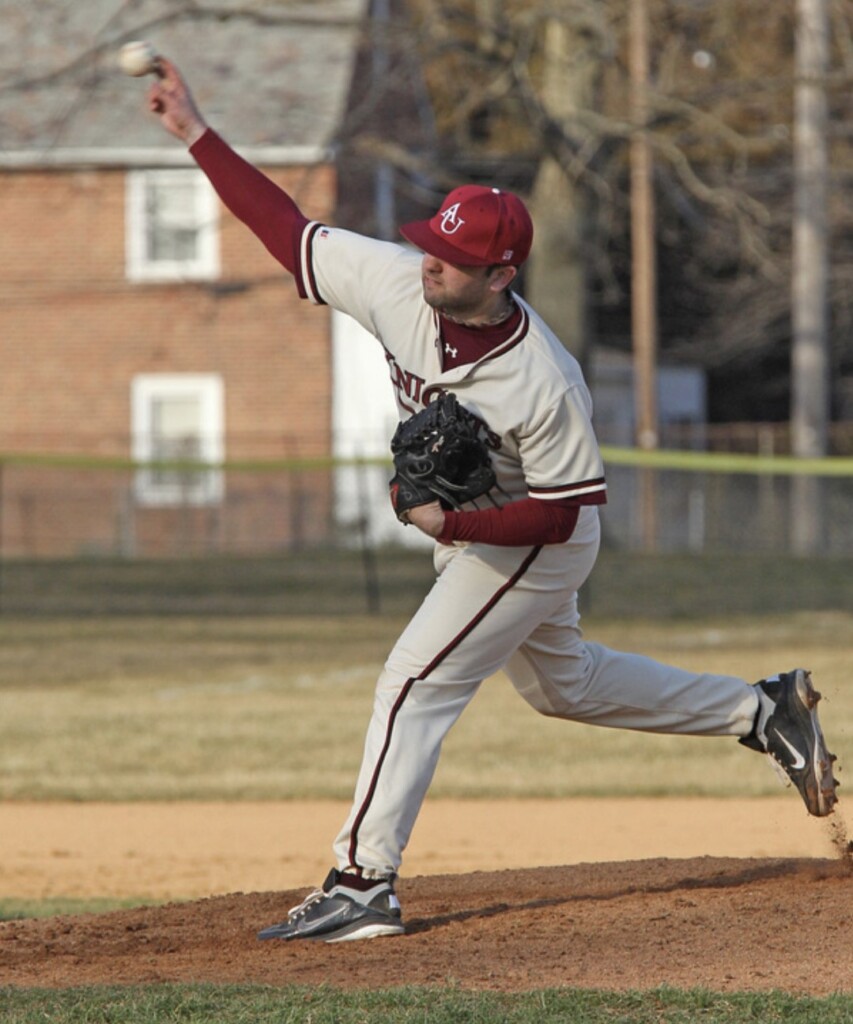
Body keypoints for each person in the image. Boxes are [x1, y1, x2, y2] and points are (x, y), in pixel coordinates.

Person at [144, 57, 838, 943]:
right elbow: (287, 230)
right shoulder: (397, 278)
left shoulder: (542, 383)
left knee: (413, 682)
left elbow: (560, 513)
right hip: (483, 532)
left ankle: (362, 881)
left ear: (501, 274)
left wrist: (451, 523)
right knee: (565, 685)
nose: (433, 264)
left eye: (456, 259)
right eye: (433, 244)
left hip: (536, 541)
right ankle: (760, 710)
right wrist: (197, 134)